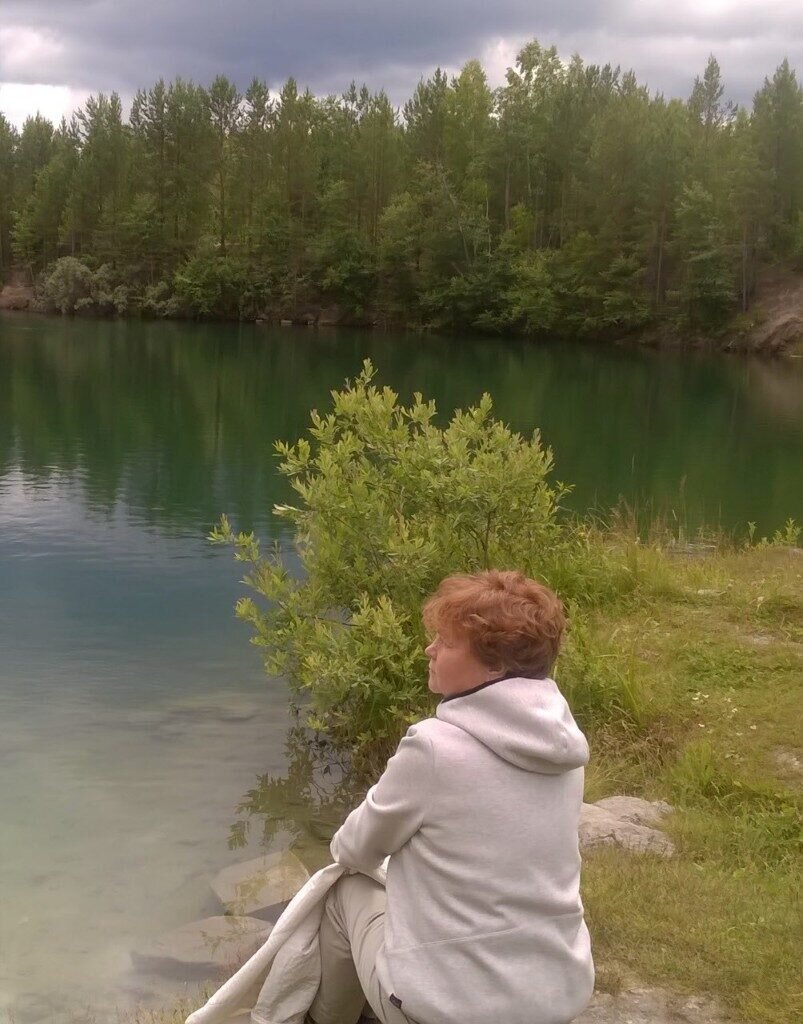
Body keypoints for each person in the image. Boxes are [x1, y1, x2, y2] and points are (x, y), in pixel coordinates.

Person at [308, 570, 594, 1024]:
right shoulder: (565, 746)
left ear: (494, 666)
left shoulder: (433, 746)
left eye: (446, 642)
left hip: (448, 1010)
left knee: (345, 888)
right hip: (556, 997)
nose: (430, 649)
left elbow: (353, 848)